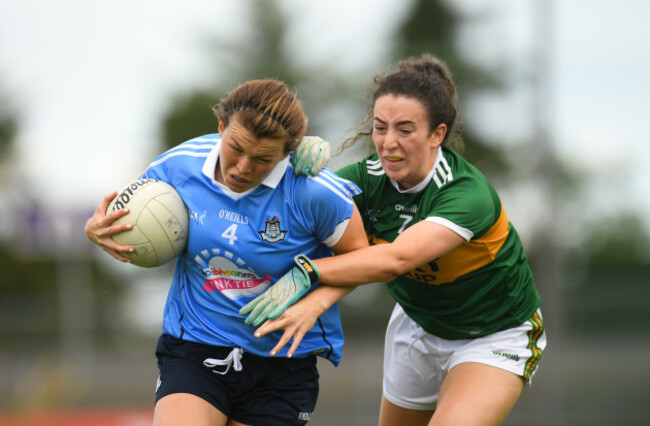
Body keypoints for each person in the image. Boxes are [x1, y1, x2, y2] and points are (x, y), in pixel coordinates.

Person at [242, 54, 547, 426]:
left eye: (405, 130)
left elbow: (394, 261)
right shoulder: (364, 181)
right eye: (380, 127)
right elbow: (293, 216)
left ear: (438, 134)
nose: (388, 143)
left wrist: (309, 273)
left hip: (494, 335)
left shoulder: (466, 195)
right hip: (418, 327)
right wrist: (294, 166)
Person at [85, 79, 367, 426]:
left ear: (286, 152)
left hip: (282, 365)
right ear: (221, 127)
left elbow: (364, 259)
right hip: (195, 350)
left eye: (263, 158)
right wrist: (96, 230)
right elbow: (136, 218)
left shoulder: (314, 191)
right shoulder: (178, 166)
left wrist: (315, 300)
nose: (242, 168)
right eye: (235, 148)